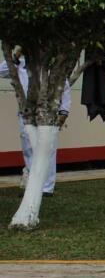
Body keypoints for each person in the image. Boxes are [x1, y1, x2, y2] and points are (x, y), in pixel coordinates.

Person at [0, 47, 71, 196]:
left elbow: (63, 88)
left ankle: (46, 188)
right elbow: (2, 71)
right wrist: (15, 57)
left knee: (48, 149)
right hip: (26, 113)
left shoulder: (53, 66)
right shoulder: (21, 64)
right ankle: (33, 186)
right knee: (29, 149)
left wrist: (64, 111)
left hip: (48, 112)